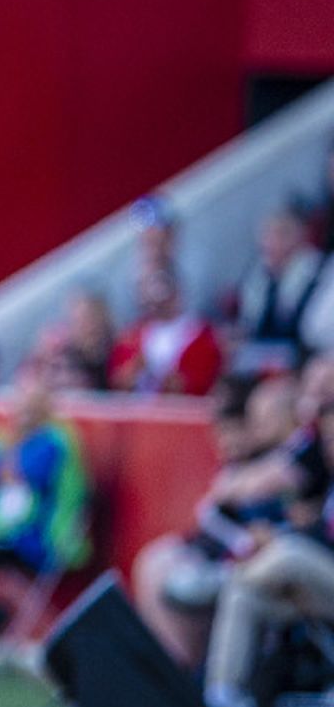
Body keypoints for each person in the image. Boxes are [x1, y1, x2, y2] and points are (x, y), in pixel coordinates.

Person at [132, 374, 297, 670]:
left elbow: (285, 525)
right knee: (155, 561)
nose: (259, 427)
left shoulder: (295, 464)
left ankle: (186, 679)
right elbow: (213, 517)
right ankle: (176, 676)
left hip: (264, 563)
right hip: (232, 556)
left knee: (177, 577)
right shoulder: (252, 466)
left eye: (265, 419)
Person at [204, 399, 334, 707]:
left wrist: (287, 534)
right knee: (244, 595)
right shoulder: (325, 482)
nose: (332, 448)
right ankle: (224, 703)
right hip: (319, 590)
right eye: (329, 440)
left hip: (319, 571)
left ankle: (215, 580)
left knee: (287, 553)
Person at [0, 365, 91, 659]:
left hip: (39, 539)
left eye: (28, 406)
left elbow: (17, 479)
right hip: (10, 535)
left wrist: (7, 456)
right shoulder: (17, 442)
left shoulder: (53, 441)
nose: (20, 414)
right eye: (19, 406)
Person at [234, 204, 321, 373]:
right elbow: (251, 323)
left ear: (294, 240)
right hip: (263, 357)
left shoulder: (313, 272)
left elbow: (313, 331)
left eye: (277, 237)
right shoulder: (259, 274)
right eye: (266, 237)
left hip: (303, 358)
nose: (268, 244)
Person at [109, 268, 222, 397]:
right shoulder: (134, 333)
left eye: (164, 298)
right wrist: (134, 370)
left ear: (177, 295)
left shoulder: (199, 335)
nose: (159, 304)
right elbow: (117, 380)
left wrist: (172, 381)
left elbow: (203, 382)